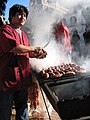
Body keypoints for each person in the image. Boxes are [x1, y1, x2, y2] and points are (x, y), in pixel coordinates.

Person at [0, 4, 47, 120]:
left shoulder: (24, 34)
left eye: (25, 15)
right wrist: (34, 49)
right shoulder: (5, 30)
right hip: (8, 78)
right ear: (12, 16)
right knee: (5, 110)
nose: (23, 17)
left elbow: (27, 51)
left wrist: (38, 54)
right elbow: (16, 47)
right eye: (19, 14)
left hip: (23, 77)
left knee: (22, 108)